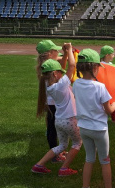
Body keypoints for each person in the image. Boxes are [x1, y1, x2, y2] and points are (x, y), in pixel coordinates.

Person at [32, 44, 82, 176]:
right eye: (60, 72)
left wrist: (66, 53)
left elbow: (67, 68)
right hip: (69, 120)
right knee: (77, 143)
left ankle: (39, 165)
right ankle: (64, 168)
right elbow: (72, 66)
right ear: (55, 74)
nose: (62, 73)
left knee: (62, 146)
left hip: (59, 121)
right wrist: (70, 50)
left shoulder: (49, 85)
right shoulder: (60, 86)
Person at [73, 48, 115, 188]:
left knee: (89, 159)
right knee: (105, 160)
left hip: (84, 128)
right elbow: (108, 110)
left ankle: (85, 186)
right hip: (99, 129)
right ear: (94, 67)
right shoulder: (100, 87)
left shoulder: (76, 84)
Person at [36, 40, 69, 162]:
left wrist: (65, 54)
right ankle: (55, 155)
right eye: (56, 51)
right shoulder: (50, 67)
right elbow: (64, 68)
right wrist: (67, 53)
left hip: (50, 103)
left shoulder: (46, 64)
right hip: (53, 104)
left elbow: (61, 64)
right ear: (50, 53)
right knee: (52, 129)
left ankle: (58, 150)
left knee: (53, 128)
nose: (58, 52)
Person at [100, 45, 115, 124]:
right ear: (107, 55)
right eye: (112, 54)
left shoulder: (111, 64)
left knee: (112, 101)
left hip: (110, 86)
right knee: (103, 103)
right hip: (103, 86)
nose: (114, 55)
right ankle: (102, 117)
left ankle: (114, 119)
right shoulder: (100, 64)